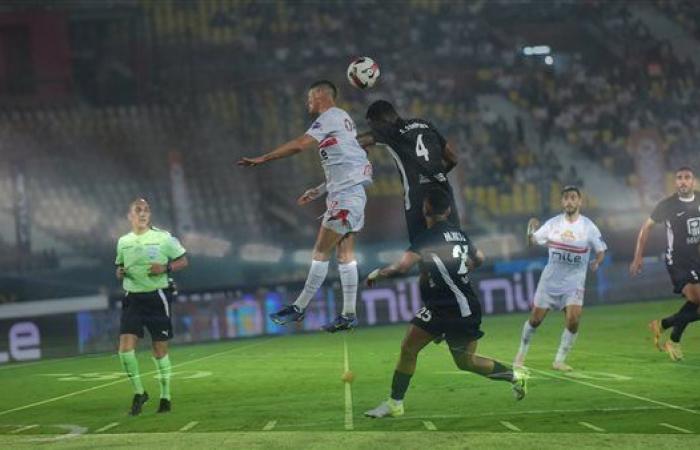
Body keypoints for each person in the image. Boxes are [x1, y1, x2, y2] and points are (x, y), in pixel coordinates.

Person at [363, 188, 527, 419]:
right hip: (452, 306)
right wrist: (465, 269)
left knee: (462, 362)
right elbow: (479, 258)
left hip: (455, 307)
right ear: (448, 210)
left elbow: (401, 267)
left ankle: (514, 376)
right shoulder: (460, 234)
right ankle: (395, 403)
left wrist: (376, 274)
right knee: (413, 349)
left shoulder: (426, 238)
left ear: (425, 210)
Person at [238, 80, 372, 332]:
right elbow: (349, 162)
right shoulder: (342, 121)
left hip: (346, 198)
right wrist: (320, 189)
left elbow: (300, 144)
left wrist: (264, 158)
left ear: (321, 95)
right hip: (347, 194)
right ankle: (349, 314)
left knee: (320, 252)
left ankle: (299, 307)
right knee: (345, 256)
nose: (307, 102)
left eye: (310, 96)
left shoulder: (331, 116)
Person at [514, 186, 606, 371]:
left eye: (573, 198)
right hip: (550, 283)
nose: (569, 201)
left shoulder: (588, 226)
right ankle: (521, 352)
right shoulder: (553, 224)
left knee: (573, 320)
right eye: (566, 198)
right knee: (535, 320)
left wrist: (597, 261)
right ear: (562, 202)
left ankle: (559, 360)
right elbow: (532, 242)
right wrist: (529, 232)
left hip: (574, 283)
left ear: (580, 202)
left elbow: (601, 249)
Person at [115, 198, 188, 415]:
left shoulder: (163, 238)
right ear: (130, 216)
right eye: (138, 210)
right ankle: (139, 392)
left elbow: (184, 261)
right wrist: (119, 272)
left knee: (159, 350)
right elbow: (119, 265)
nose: (143, 213)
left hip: (157, 298)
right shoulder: (123, 241)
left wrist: (165, 267)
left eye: (146, 209)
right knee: (124, 351)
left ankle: (165, 396)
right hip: (132, 299)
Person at [357, 99, 460, 245]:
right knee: (456, 243)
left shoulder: (389, 131)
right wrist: (436, 176)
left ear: (381, 120)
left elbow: (358, 141)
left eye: (373, 124)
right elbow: (453, 159)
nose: (373, 128)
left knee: (422, 248)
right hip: (444, 191)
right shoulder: (426, 125)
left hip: (418, 194)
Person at [630, 166, 700, 361]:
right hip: (677, 261)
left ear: (693, 181)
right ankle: (666, 328)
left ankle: (668, 333)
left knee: (694, 303)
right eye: (679, 178)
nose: (683, 181)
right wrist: (638, 256)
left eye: (687, 177)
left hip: (696, 259)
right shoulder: (667, 205)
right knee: (696, 299)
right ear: (675, 182)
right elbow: (646, 228)